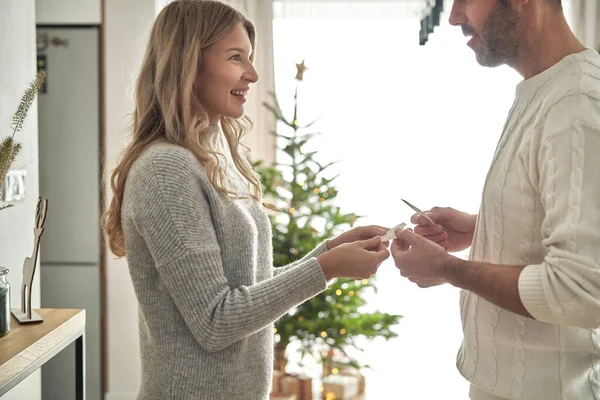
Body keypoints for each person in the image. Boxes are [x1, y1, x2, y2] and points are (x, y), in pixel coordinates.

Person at [101, 1, 389, 399]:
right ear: (189, 64)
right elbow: (217, 320)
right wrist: (325, 269)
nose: (252, 75)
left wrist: (328, 253)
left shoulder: (211, 159)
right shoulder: (165, 169)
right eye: (236, 57)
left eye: (250, 59)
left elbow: (243, 287)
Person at [391, 0, 600, 399]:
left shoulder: (577, 101)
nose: (453, 17)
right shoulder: (545, 89)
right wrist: (482, 226)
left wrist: (446, 267)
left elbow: (579, 291)